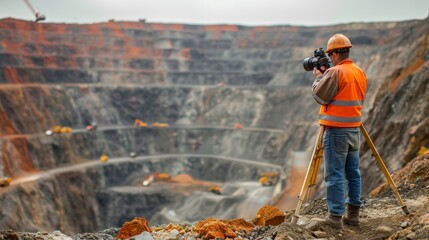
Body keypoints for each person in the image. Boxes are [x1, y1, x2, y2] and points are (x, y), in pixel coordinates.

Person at [312, 33, 367, 229]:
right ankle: (353, 215)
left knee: (334, 174)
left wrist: (319, 78)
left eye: (330, 54)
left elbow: (320, 96)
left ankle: (334, 217)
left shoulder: (335, 72)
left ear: (334, 53)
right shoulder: (359, 71)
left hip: (336, 131)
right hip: (354, 129)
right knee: (353, 173)